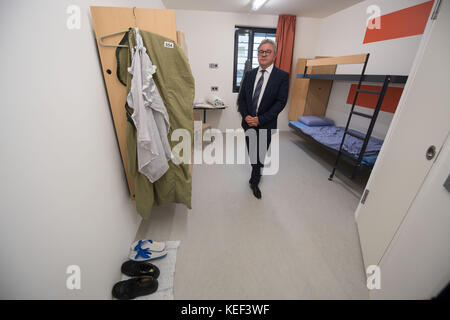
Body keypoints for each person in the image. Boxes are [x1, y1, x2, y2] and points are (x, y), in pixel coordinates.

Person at [237, 39, 289, 199]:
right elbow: (242, 99)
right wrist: (246, 116)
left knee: (259, 154)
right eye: (261, 51)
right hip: (248, 123)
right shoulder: (249, 74)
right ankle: (256, 170)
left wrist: (260, 119)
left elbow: (280, 102)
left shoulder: (282, 76)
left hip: (266, 124)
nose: (263, 54)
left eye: (267, 51)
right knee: (252, 152)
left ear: (274, 55)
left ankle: (254, 180)